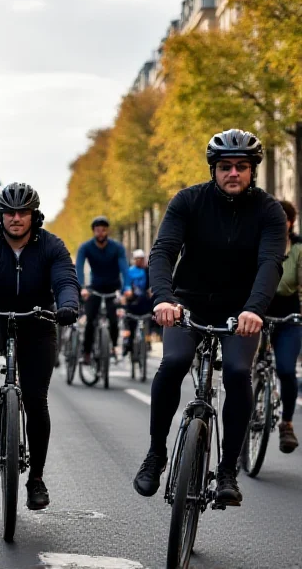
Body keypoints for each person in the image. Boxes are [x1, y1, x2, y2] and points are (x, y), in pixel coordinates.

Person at [133, 129, 286, 506]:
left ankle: (229, 471)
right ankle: (156, 453)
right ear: (213, 170)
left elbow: (270, 264)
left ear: (253, 171)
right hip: (188, 303)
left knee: (236, 372)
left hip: (242, 308)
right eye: (225, 167)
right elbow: (163, 252)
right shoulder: (187, 201)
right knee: (173, 362)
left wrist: (254, 309)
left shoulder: (269, 212)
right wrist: (164, 299)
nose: (233, 173)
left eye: (241, 167)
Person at [0, 182, 80, 510]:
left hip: (38, 319)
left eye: (23, 212)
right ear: (1, 214)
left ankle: (36, 478)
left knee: (36, 402)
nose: (16, 218)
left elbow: (65, 279)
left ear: (35, 216)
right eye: (10, 212)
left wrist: (67, 305)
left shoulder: (51, 245)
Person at [264, 200, 301, 453]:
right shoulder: (257, 243)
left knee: (286, 371)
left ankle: (286, 424)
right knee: (241, 369)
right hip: (257, 315)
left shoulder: (298, 249)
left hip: (289, 316)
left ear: (290, 223)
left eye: (283, 218)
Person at [75, 216, 131, 364]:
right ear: (93, 231)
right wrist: (81, 287)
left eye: (103, 230)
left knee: (114, 320)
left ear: (107, 231)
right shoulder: (86, 247)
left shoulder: (117, 247)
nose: (100, 233)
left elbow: (124, 268)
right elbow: (79, 267)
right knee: (90, 319)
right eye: (97, 230)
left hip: (113, 287)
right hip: (95, 288)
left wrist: (127, 288)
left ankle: (112, 348)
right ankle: (86, 353)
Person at [122, 248, 151, 357]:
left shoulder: (147, 271)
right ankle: (129, 344)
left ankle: (147, 342)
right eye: (138, 259)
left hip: (145, 303)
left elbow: (151, 285)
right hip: (133, 303)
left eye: (142, 259)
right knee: (130, 326)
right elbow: (126, 285)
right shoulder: (130, 271)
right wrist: (127, 292)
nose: (140, 261)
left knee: (150, 320)